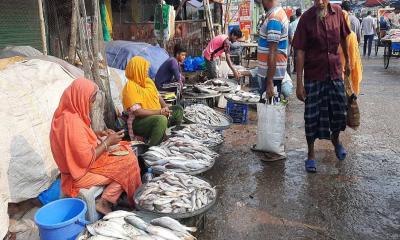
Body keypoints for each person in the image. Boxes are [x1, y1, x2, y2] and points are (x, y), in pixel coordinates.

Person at [50, 78, 142, 214]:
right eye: (91, 100)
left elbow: (74, 141)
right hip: (79, 175)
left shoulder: (64, 115)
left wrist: (96, 133)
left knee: (125, 151)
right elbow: (85, 159)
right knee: (129, 162)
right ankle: (106, 201)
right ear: (80, 97)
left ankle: (112, 198)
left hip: (77, 168)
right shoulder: (71, 122)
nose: (92, 104)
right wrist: (107, 142)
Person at [293, 0, 351, 172]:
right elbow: (300, 51)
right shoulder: (306, 18)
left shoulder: (338, 13)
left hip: (334, 72)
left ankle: (336, 142)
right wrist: (299, 83)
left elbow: (343, 37)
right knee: (311, 116)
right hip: (314, 74)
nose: (319, 2)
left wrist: (347, 61)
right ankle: (310, 154)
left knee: (339, 111)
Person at [122, 56, 183, 146]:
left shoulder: (148, 81)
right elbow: (138, 112)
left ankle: (167, 133)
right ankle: (152, 148)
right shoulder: (130, 87)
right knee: (161, 120)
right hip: (140, 121)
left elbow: (158, 96)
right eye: (144, 69)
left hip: (156, 114)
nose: (147, 71)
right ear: (137, 70)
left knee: (178, 109)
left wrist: (165, 107)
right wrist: (160, 112)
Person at [257, 0, 289, 98]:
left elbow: (273, 50)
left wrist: (270, 81)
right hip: (271, 74)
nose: (261, 3)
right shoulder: (277, 14)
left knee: (270, 108)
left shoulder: (274, 18)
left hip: (271, 76)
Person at [340, 3, 363, 95]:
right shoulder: (352, 33)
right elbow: (359, 36)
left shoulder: (333, 33)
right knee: (348, 85)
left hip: (338, 67)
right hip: (348, 64)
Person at [288, 8, 302, 73]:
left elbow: (291, 35)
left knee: (296, 56)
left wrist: (291, 45)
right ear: (301, 14)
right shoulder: (304, 22)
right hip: (303, 42)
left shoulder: (292, 24)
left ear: (296, 14)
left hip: (296, 42)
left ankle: (296, 69)